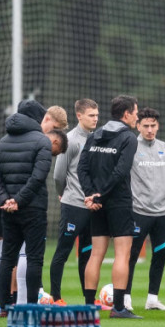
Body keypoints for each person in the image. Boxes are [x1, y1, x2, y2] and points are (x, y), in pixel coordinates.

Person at [0, 100, 60, 313]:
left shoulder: (2, 142)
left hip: (8, 211)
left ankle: (4, 306)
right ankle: (30, 306)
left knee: (7, 258)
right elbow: (38, 177)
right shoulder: (42, 141)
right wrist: (18, 200)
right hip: (33, 208)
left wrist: (4, 200)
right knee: (34, 258)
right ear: (37, 118)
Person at [79, 94, 142, 319]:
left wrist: (91, 195)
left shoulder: (95, 135)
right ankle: (118, 308)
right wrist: (100, 195)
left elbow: (81, 168)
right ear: (126, 114)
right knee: (122, 254)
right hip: (118, 201)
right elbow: (120, 172)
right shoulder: (129, 138)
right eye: (136, 113)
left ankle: (89, 307)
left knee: (96, 254)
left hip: (96, 204)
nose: (137, 117)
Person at [48, 98, 99, 306]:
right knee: (63, 251)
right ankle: (56, 297)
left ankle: (89, 299)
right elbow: (58, 175)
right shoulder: (69, 140)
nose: (95, 119)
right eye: (91, 115)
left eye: (97, 115)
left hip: (92, 207)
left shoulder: (97, 138)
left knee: (87, 253)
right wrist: (64, 194)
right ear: (79, 116)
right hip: (73, 205)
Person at [126, 107, 165, 311]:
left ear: (158, 126)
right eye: (146, 126)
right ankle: (125, 297)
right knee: (131, 256)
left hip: (163, 211)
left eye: (153, 125)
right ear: (138, 126)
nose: (150, 130)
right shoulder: (131, 146)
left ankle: (152, 298)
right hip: (139, 211)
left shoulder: (164, 147)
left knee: (160, 256)